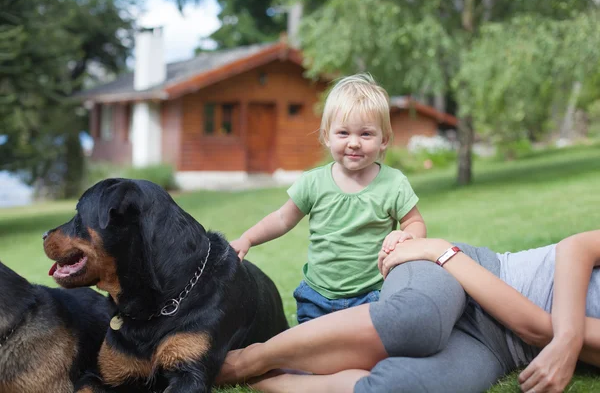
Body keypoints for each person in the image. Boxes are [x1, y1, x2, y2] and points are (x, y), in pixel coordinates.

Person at [217, 230, 600, 393]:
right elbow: (577, 248)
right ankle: (251, 358)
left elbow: (536, 329)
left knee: (400, 389)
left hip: (497, 347)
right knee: (415, 321)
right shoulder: (452, 260)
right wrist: (441, 253)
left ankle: (274, 380)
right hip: (467, 272)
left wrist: (562, 338)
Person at [230, 74, 426, 323]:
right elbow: (282, 219)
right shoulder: (313, 183)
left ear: (384, 140)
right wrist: (247, 239)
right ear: (326, 136)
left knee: (363, 356)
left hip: (373, 296)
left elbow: (415, 223)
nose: (354, 143)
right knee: (313, 359)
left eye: (366, 134)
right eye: (343, 133)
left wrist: (406, 234)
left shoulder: (394, 183)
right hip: (318, 297)